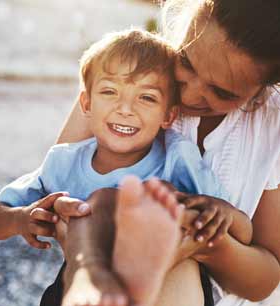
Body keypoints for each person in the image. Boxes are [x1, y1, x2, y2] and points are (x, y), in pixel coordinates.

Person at [0, 29, 246, 306]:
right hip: (84, 290)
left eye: (146, 98)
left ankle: (118, 272)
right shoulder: (64, 162)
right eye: (110, 92)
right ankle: (89, 274)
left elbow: (244, 231)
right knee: (95, 204)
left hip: (169, 286)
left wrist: (224, 212)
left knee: (148, 197)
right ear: (86, 103)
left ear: (168, 115)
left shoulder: (176, 158)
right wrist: (21, 218)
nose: (126, 108)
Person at [39, 1, 280, 306]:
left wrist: (198, 239)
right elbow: (58, 196)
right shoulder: (127, 77)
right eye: (186, 62)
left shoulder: (271, 125)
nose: (189, 95)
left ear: (263, 90)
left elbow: (264, 279)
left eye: (222, 92)